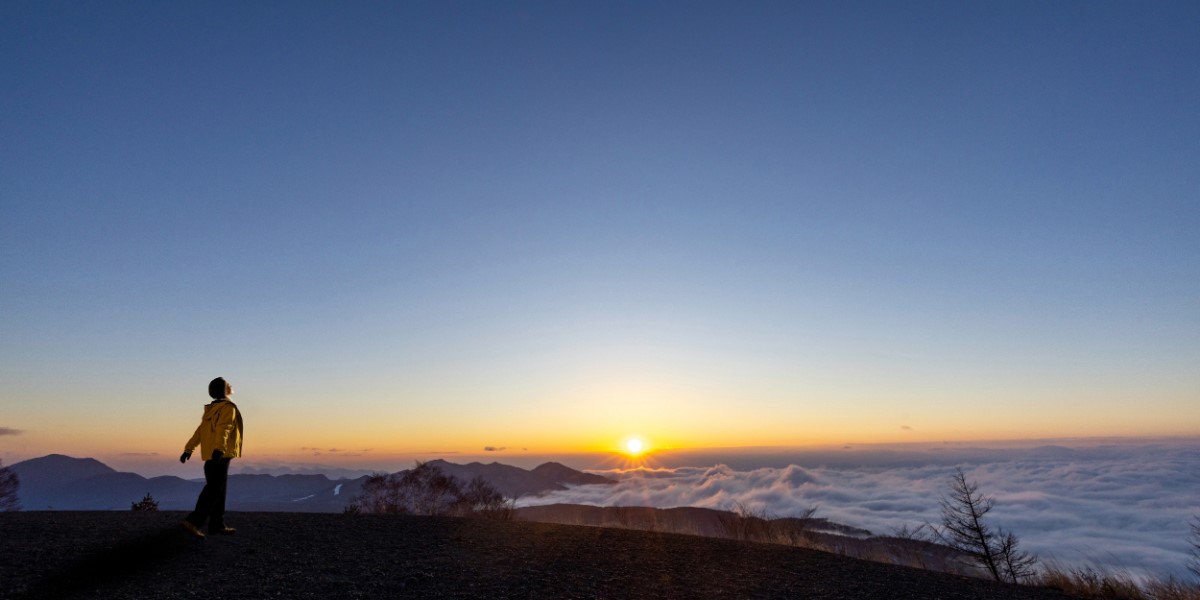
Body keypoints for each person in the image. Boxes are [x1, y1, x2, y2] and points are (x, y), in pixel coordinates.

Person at [179, 377, 244, 539]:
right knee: (213, 490)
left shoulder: (212, 409)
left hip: (212, 455)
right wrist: (220, 449)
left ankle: (216, 524)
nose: (231, 386)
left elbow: (200, 431)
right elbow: (224, 429)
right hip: (220, 455)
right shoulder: (228, 408)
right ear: (224, 389)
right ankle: (193, 522)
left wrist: (188, 449)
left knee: (218, 490)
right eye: (228, 385)